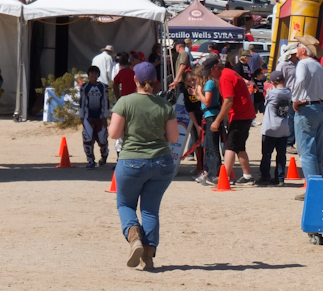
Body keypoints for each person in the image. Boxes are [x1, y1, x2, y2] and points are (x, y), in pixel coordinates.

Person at [108, 62, 178, 272]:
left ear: (135, 80)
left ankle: (134, 236)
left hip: (131, 161)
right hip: (162, 162)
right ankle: (148, 257)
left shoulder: (125, 102)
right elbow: (173, 137)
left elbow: (114, 133)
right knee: (150, 210)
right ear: (156, 81)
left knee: (125, 205)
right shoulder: (165, 106)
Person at [208, 54, 257, 185]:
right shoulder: (228, 73)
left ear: (215, 67)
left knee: (229, 146)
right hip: (244, 114)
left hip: (240, 115)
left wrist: (217, 121)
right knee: (239, 146)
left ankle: (224, 177)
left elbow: (228, 101)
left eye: (210, 71)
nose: (210, 75)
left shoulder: (225, 77)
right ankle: (247, 176)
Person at [291, 41, 323, 197]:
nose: (296, 49)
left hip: (307, 108)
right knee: (317, 149)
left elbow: (300, 81)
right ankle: (319, 185)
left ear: (303, 50)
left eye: (298, 46)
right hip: (320, 107)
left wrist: (295, 99)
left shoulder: (303, 64)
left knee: (306, 151)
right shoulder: (318, 65)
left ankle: (314, 189)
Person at [257, 70, 292, 185]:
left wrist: (268, 91)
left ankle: (265, 176)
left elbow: (265, 104)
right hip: (283, 127)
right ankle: (280, 177)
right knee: (281, 155)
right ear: (284, 80)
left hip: (270, 128)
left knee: (267, 154)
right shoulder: (289, 93)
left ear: (272, 82)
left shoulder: (272, 93)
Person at [195, 57, 223, 186]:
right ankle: (208, 172)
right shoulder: (210, 83)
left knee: (212, 147)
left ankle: (214, 174)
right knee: (208, 146)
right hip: (208, 116)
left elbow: (207, 101)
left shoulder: (209, 84)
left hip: (212, 116)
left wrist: (199, 92)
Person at [79, 66, 110, 168]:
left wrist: (105, 116)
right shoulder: (84, 87)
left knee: (102, 139)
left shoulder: (103, 87)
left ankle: (104, 156)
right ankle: (90, 160)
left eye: (95, 73)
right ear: (88, 75)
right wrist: (81, 116)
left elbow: (106, 102)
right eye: (91, 73)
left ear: (98, 75)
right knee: (87, 138)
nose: (93, 75)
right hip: (88, 117)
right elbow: (82, 102)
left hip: (100, 117)